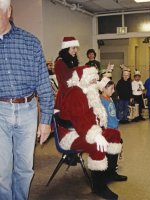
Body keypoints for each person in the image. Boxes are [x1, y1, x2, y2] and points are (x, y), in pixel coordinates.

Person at [0, 1, 54, 199]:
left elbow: (43, 83)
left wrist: (46, 121)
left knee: (24, 169)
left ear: (8, 12)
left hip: (28, 110)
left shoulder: (30, 42)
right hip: (0, 111)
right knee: (1, 172)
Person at [58, 66, 125, 200]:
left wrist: (99, 130)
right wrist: (96, 135)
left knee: (114, 135)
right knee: (97, 145)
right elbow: (79, 120)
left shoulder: (88, 92)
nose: (95, 83)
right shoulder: (75, 93)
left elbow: (91, 117)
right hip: (72, 134)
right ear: (84, 80)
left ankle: (110, 173)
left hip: (87, 129)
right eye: (93, 80)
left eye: (96, 80)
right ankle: (98, 186)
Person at [54, 36, 80, 110]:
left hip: (72, 95)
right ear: (66, 48)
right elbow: (65, 83)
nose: (76, 50)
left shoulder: (70, 61)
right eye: (73, 48)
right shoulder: (60, 63)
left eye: (76, 48)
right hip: (65, 98)